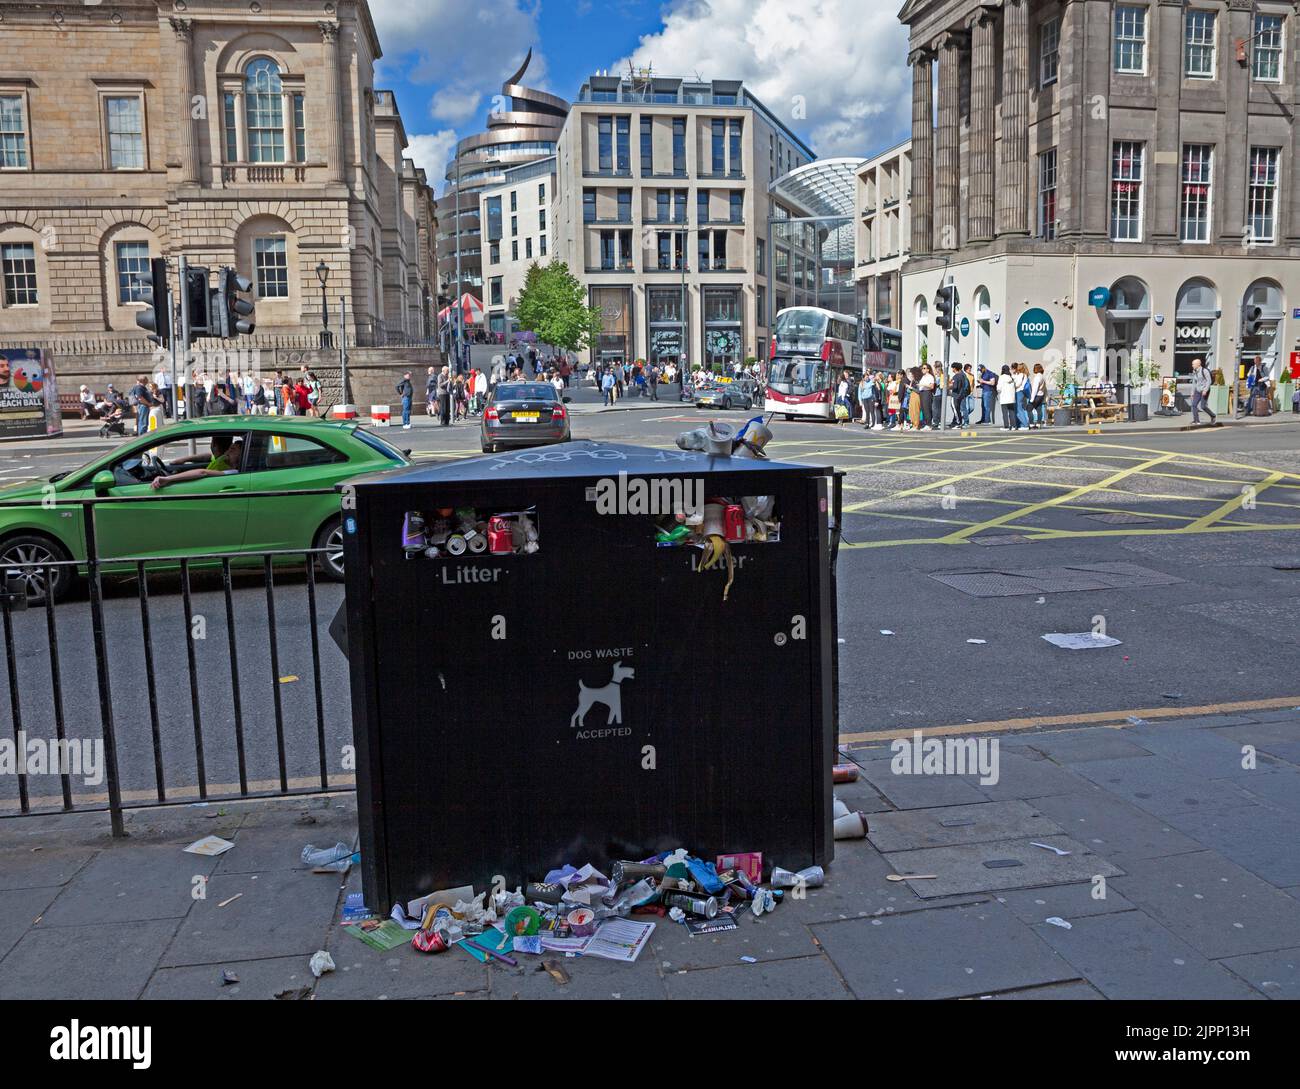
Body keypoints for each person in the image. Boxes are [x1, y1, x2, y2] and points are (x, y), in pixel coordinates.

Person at [150, 436, 245, 491]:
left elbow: (203, 472)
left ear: (242, 456)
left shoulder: (233, 472)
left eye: (233, 449)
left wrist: (168, 478)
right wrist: (184, 459)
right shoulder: (223, 459)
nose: (228, 451)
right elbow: (207, 456)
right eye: (230, 447)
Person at [1190, 358, 1216, 425]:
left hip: (1205, 390)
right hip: (1198, 390)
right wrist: (1192, 392)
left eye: (1193, 364)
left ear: (1198, 364)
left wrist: (1205, 390)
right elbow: (1194, 382)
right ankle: (1196, 420)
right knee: (1194, 405)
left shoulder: (1204, 371)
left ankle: (1213, 416)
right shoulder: (1195, 371)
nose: (1192, 365)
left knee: (1203, 406)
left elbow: (1209, 381)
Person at [997, 365, 1018, 430]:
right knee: (1011, 412)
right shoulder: (1011, 377)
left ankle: (1006, 426)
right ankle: (1014, 426)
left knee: (1005, 413)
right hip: (1011, 398)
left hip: (1004, 398)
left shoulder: (1001, 377)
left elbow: (999, 388)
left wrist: (998, 391)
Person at [949, 363, 969, 428]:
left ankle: (958, 423)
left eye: (952, 368)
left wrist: (947, 386)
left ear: (954, 368)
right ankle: (958, 422)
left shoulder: (956, 376)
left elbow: (955, 387)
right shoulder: (963, 376)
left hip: (955, 395)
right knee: (957, 410)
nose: (952, 369)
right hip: (960, 395)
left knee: (955, 409)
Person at [1030, 363, 1048, 429]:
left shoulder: (1037, 377)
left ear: (1035, 369)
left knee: (1029, 409)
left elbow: (1035, 389)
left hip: (1037, 395)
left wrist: (1032, 399)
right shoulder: (1042, 376)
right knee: (1039, 410)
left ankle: (1031, 424)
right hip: (1041, 395)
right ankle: (1038, 424)